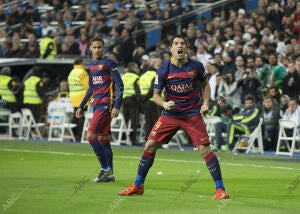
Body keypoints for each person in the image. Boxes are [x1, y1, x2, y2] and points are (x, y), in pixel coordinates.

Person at [118, 35, 230, 200]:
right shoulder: (164, 69)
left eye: (182, 43)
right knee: (149, 145)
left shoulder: (196, 66)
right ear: (171, 49)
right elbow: (156, 95)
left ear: (186, 48)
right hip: (171, 115)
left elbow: (205, 84)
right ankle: (138, 185)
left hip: (192, 114)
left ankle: (220, 190)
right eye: (176, 44)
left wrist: (206, 102)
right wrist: (163, 104)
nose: (179, 46)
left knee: (205, 149)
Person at [75, 36, 124, 183]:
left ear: (103, 48)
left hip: (106, 105)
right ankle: (111, 174)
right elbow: (91, 88)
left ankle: (104, 169)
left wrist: (116, 106)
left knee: (90, 136)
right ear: (90, 48)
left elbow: (120, 85)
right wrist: (81, 105)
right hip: (96, 104)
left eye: (99, 47)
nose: (97, 50)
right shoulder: (92, 65)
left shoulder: (109, 62)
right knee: (103, 139)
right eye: (94, 47)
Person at [139, 57, 163, 142]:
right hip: (154, 102)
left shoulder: (143, 76)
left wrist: (142, 99)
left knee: (148, 122)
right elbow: (153, 90)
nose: (160, 67)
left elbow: (139, 89)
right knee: (156, 123)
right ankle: (155, 141)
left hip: (144, 102)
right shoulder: (156, 75)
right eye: (159, 65)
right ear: (154, 66)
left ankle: (148, 140)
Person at [67, 57, 89, 142]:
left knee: (75, 117)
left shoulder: (71, 73)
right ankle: (79, 136)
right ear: (81, 63)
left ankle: (72, 136)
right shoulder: (82, 72)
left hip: (73, 97)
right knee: (81, 117)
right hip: (81, 97)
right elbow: (88, 86)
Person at [121, 62, 141, 145]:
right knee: (134, 120)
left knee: (125, 119)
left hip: (123, 100)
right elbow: (137, 90)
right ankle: (133, 139)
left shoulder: (123, 76)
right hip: (132, 100)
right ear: (133, 68)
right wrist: (140, 101)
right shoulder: (136, 77)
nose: (138, 69)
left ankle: (123, 138)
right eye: (136, 67)